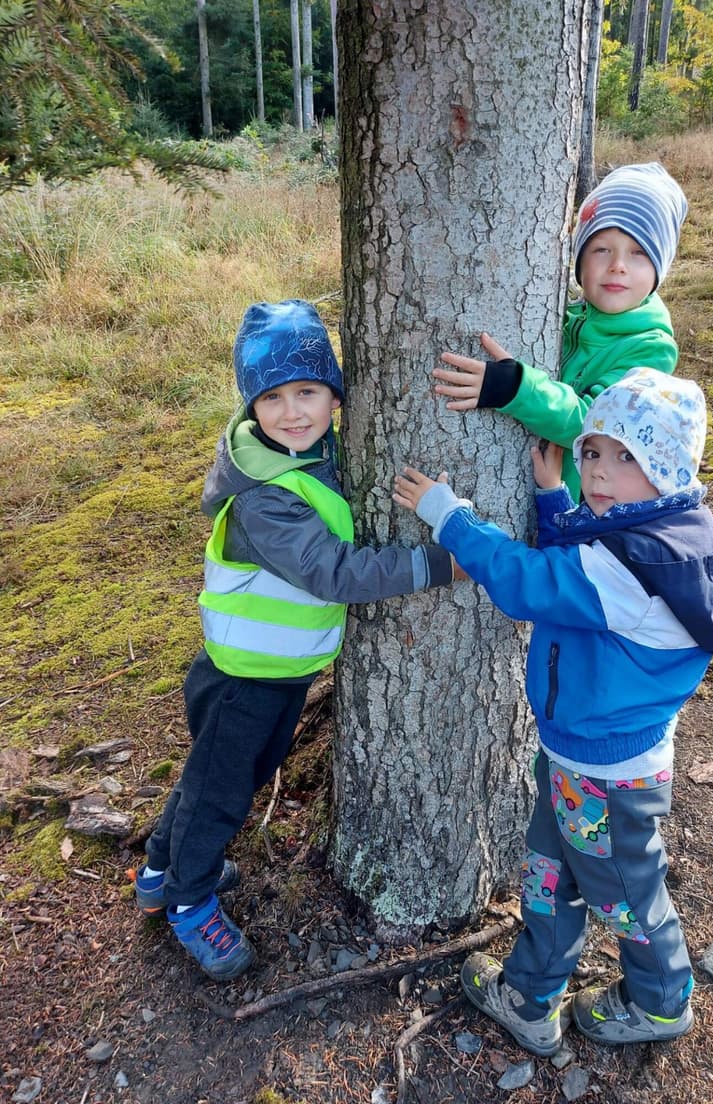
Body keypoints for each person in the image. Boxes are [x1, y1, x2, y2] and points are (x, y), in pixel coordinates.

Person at [392, 367, 713, 1056]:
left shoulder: (641, 565)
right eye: (593, 452)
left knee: (628, 898)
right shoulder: (660, 531)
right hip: (586, 757)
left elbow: (532, 586)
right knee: (549, 873)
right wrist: (556, 502)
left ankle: (661, 1001)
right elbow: (582, 566)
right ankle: (529, 995)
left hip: (608, 776)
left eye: (626, 458)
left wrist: (449, 515)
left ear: (668, 469)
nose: (601, 473)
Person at [132, 299, 459, 981]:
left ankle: (163, 867)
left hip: (274, 672)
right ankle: (188, 902)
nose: (294, 412)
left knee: (216, 778)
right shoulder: (264, 495)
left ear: (334, 395)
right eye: (272, 398)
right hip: (242, 678)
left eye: (309, 392)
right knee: (221, 791)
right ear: (252, 407)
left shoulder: (308, 456)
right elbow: (329, 570)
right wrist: (433, 563)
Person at [433, 162, 688, 499]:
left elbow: (597, 423)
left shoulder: (650, 348)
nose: (618, 266)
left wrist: (514, 388)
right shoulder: (563, 317)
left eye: (640, 253)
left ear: (660, 269)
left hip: (582, 514)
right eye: (601, 249)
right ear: (578, 259)